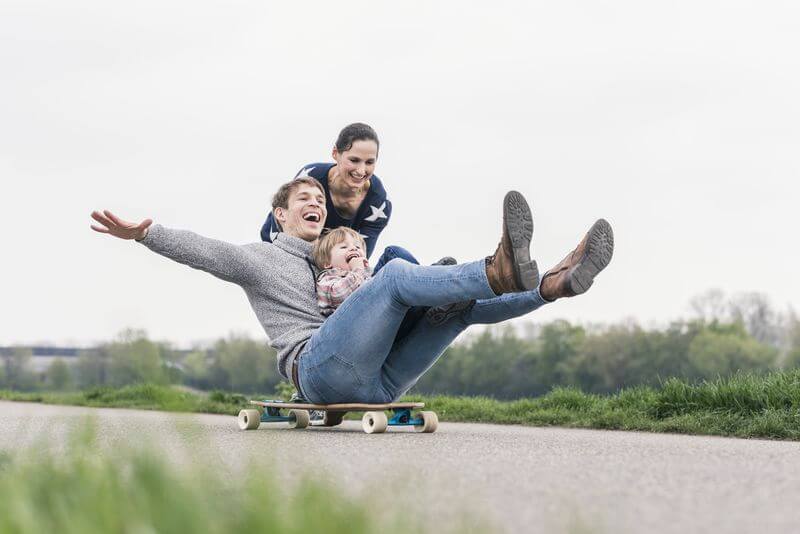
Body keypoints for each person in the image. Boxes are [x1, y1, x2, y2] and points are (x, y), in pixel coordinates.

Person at [90, 177, 614, 407]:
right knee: (395, 278)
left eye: (320, 198)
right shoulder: (259, 257)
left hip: (380, 386)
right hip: (316, 370)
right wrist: (146, 235)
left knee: (451, 309)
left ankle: (551, 286)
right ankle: (497, 270)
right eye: (304, 198)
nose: (316, 203)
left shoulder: (337, 255)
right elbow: (204, 250)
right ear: (281, 214)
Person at [312, 227, 372, 317]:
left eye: (358, 247)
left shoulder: (365, 275)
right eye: (344, 247)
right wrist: (358, 270)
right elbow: (337, 295)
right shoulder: (328, 277)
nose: (353, 248)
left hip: (373, 311)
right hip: (351, 321)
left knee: (393, 252)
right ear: (327, 262)